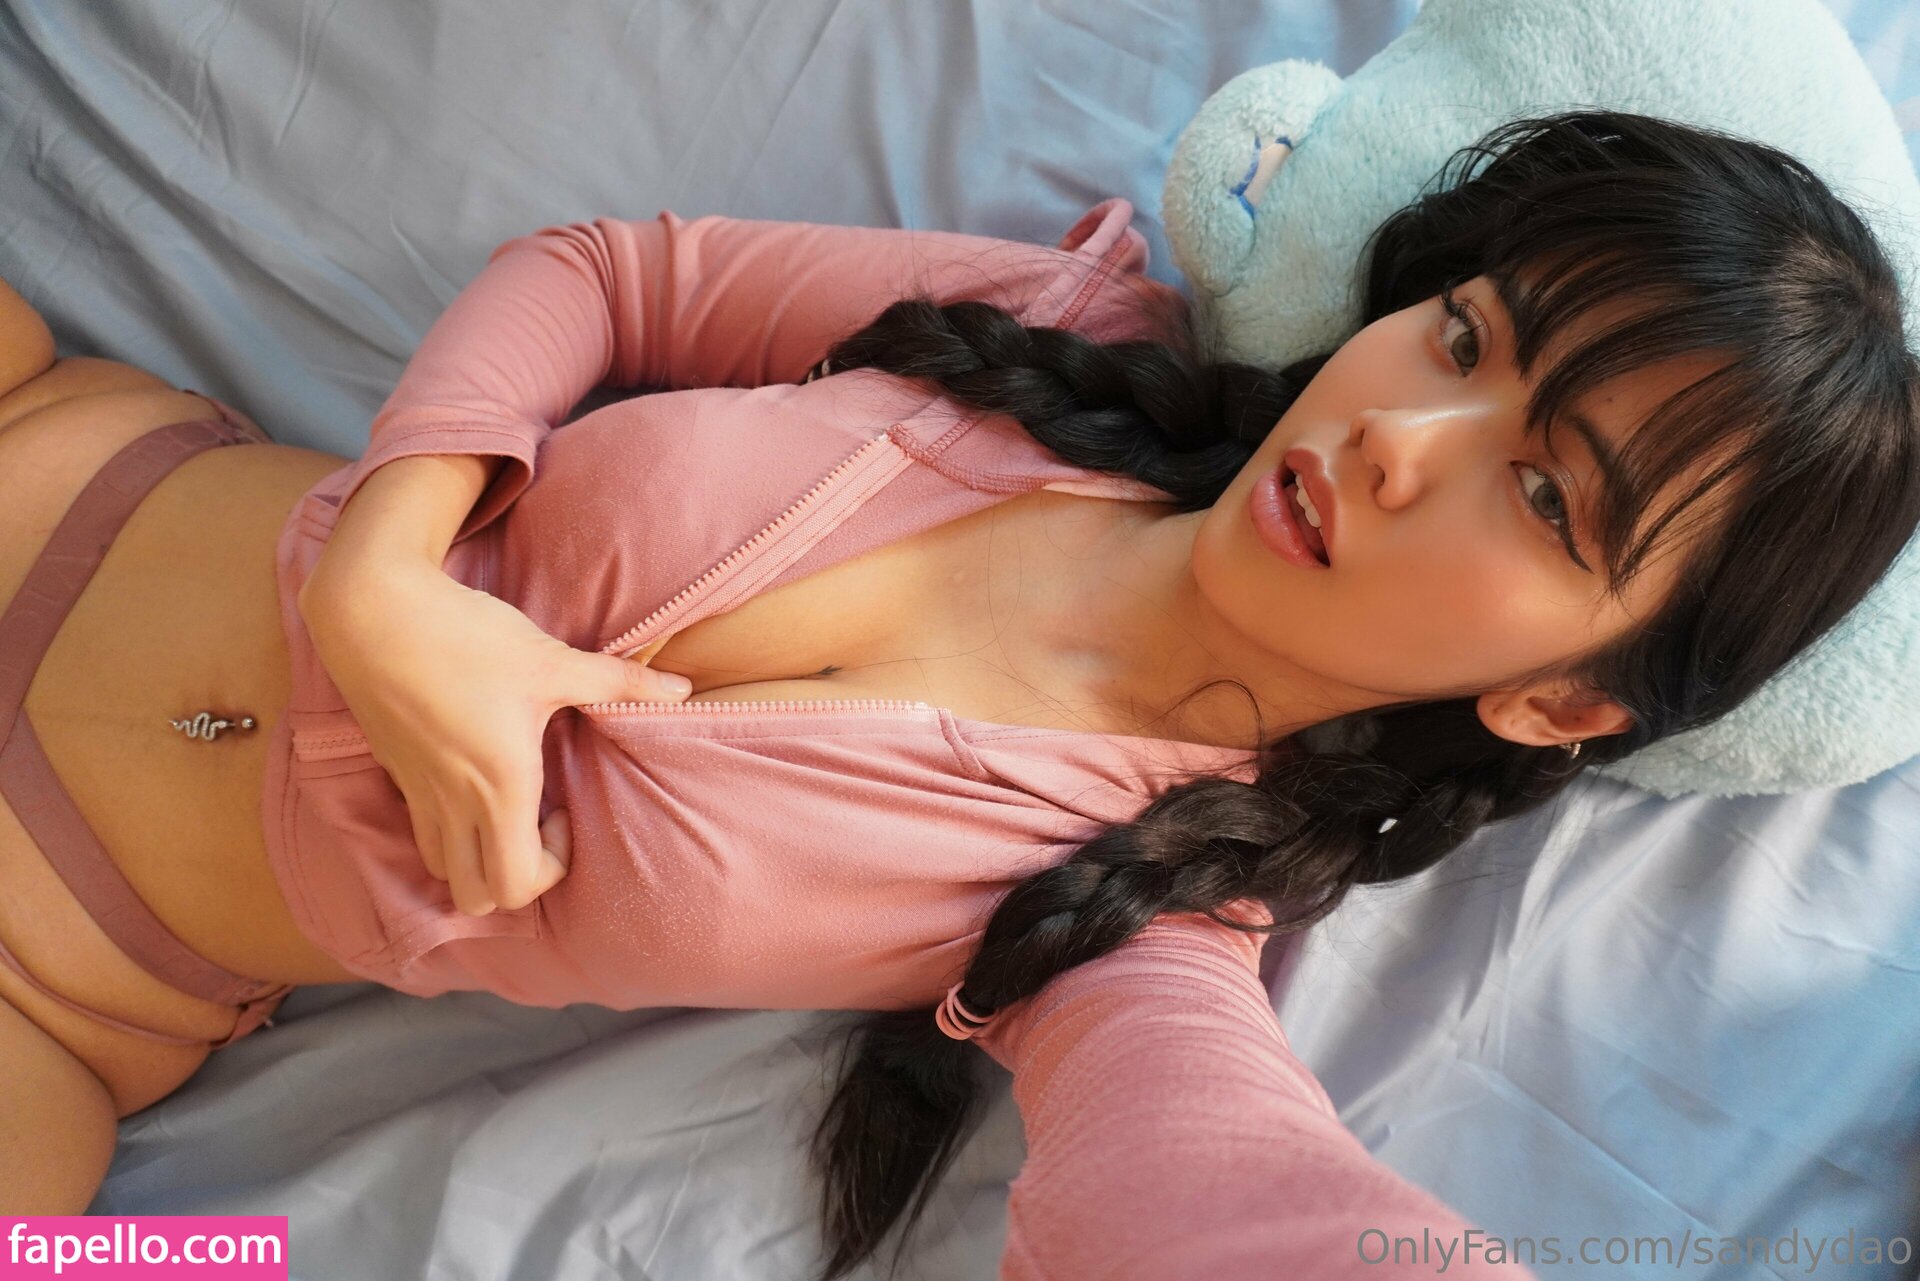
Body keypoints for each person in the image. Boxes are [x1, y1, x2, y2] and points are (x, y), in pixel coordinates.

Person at [0, 108, 1913, 1279]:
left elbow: (1224, 1203)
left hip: (57, 979)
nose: (1402, 435)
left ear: (1567, 704)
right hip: (50, 445)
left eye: (1550, 495)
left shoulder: (1138, 922)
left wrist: (250, 1251)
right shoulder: (1065, 336)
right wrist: (383, 577)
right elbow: (606, 274)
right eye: (1464, 336)